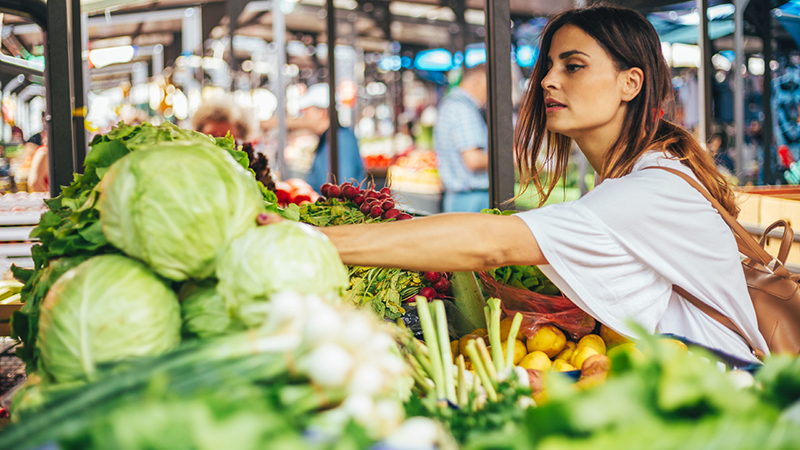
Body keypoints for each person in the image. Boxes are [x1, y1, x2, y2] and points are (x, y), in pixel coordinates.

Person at [258, 4, 766, 364]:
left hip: (718, 390)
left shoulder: (648, 190)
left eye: (573, 66)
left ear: (630, 83)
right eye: (548, 66)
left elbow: (489, 242)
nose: (547, 80)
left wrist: (310, 238)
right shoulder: (644, 173)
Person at [286, 83, 365, 192]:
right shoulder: (329, 139)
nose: (303, 117)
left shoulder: (340, 142)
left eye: (306, 112)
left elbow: (342, 191)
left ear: (322, 113)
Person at [433, 64, 489, 212]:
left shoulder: (451, 103)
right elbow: (474, 160)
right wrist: (513, 158)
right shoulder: (462, 109)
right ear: (477, 80)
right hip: (471, 199)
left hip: (461, 198)